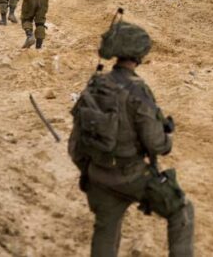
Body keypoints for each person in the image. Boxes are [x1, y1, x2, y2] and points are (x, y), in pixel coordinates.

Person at [68, 19, 195, 257]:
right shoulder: (138, 90)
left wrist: (89, 172)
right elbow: (156, 143)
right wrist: (168, 137)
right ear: (138, 55)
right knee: (181, 210)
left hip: (99, 175)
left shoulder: (96, 85)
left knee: (105, 230)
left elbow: (76, 143)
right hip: (131, 176)